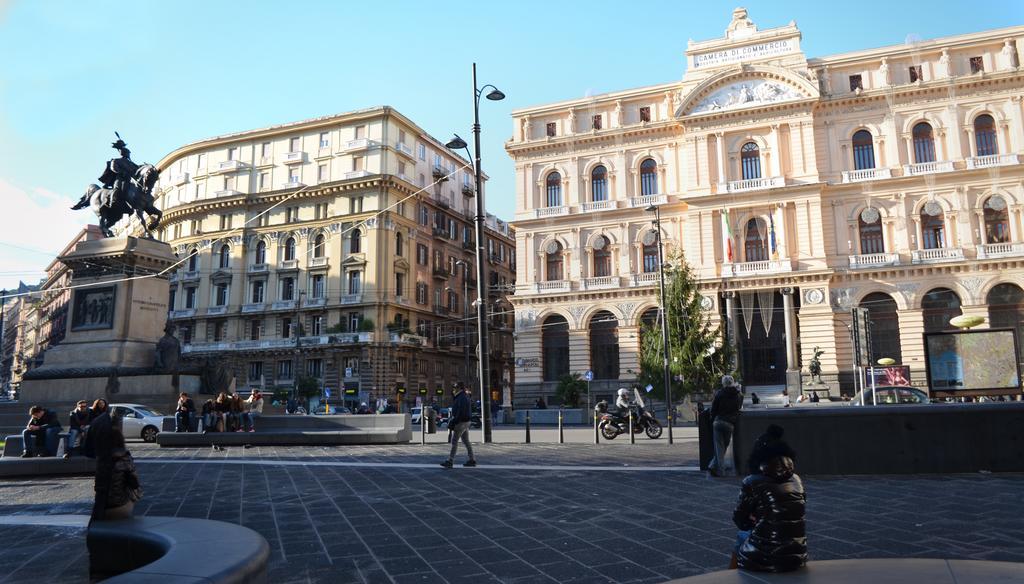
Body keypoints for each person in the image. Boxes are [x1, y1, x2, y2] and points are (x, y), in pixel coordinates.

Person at [732, 426, 807, 572]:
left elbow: (740, 520)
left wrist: (753, 519)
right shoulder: (796, 479)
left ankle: (730, 576)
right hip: (798, 554)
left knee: (742, 536)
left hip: (765, 557)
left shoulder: (752, 481)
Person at [708, 375, 743, 477]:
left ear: (723, 383)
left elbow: (714, 408)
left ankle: (719, 470)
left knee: (719, 447)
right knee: (724, 446)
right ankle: (713, 466)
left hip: (718, 422)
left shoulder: (719, 393)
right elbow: (739, 407)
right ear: (732, 382)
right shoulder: (738, 395)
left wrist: (712, 419)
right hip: (730, 424)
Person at [104, 429, 142, 520]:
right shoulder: (125, 457)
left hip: (100, 507)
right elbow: (135, 483)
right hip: (119, 507)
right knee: (137, 489)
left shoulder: (101, 457)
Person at [441, 383, 476, 468]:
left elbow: (460, 411)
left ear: (460, 388)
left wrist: (455, 421)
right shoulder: (462, 396)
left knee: (454, 441)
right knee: (466, 441)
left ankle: (450, 460)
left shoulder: (461, 397)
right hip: (465, 421)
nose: (453, 389)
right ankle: (472, 459)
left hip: (461, 422)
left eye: (455, 387)